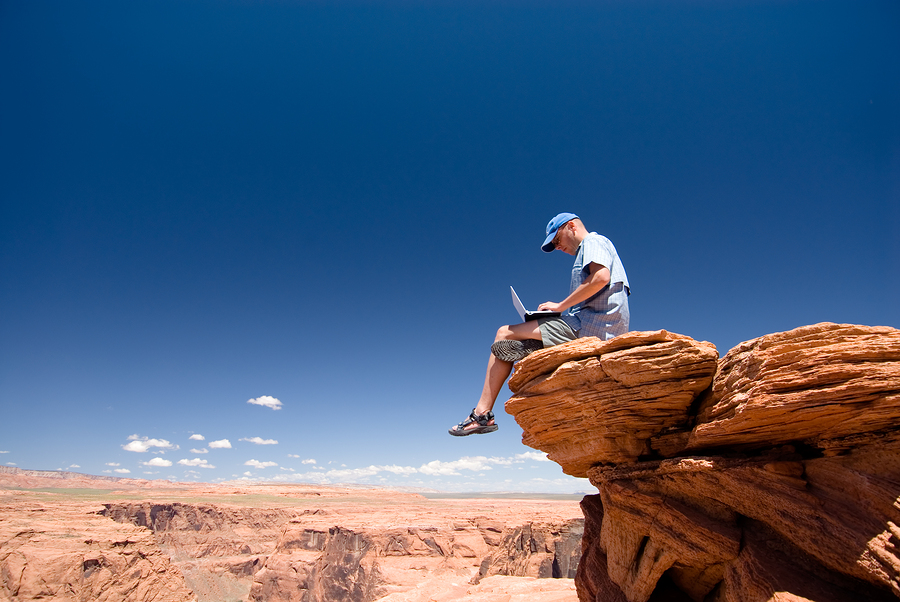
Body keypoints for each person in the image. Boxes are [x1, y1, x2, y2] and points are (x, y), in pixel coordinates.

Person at [449, 212, 630, 436]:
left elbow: (601, 278)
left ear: (571, 226)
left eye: (556, 240)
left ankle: (481, 414)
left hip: (590, 329)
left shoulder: (594, 241)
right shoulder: (590, 249)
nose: (557, 247)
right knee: (525, 332)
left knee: (504, 333)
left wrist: (560, 306)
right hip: (591, 325)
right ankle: (537, 347)